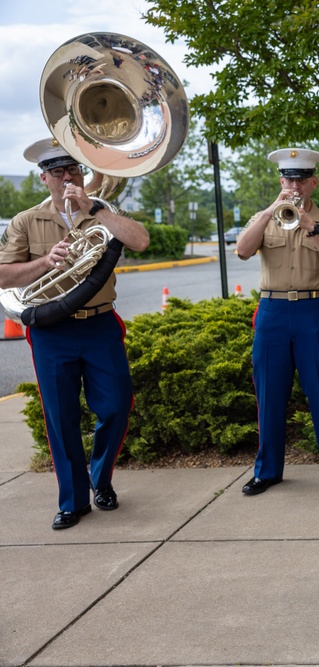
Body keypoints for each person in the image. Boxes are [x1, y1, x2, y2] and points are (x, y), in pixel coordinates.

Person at [0, 138, 150, 529]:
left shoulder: (101, 210)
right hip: (52, 330)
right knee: (61, 418)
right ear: (43, 177)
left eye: (73, 170)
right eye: (57, 172)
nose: (67, 177)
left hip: (100, 323)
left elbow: (140, 240)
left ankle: (99, 479)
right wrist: (45, 263)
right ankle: (73, 500)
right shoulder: (26, 221)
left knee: (117, 405)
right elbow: (3, 274)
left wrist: (94, 207)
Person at [235, 148, 319, 495]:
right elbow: (242, 250)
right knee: (269, 393)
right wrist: (272, 209)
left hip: (312, 310)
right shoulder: (265, 216)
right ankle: (267, 470)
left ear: (313, 181)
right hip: (271, 311)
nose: (295, 185)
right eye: (288, 178)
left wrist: (312, 229)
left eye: (301, 179)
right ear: (281, 180)